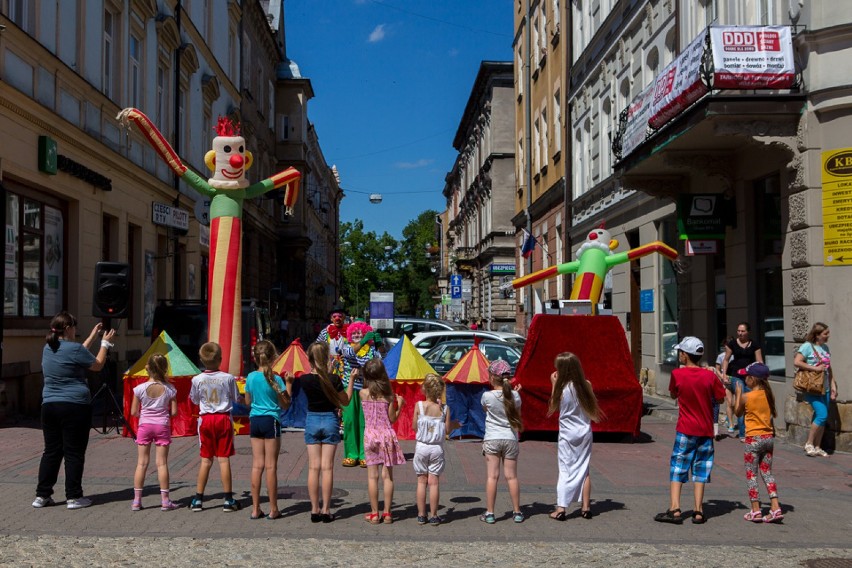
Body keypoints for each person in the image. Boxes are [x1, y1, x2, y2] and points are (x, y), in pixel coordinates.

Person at [33, 312, 116, 509]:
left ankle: (42, 495)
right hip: (74, 406)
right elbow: (96, 365)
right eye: (75, 327)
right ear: (69, 328)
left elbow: (77, 355)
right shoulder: (74, 349)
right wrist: (105, 344)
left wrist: (92, 336)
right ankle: (74, 496)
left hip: (49, 406)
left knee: (51, 451)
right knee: (74, 452)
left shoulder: (49, 348)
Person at [654, 337, 725, 525]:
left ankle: (675, 508)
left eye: (681, 353)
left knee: (678, 466)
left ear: (685, 355)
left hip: (686, 429)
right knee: (701, 469)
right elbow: (720, 398)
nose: (679, 355)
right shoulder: (710, 376)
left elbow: (673, 393)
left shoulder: (678, 374)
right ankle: (698, 510)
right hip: (705, 430)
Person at [300, 341, 355, 523]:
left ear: (309, 359)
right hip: (330, 420)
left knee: (313, 468)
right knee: (328, 468)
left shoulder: (304, 380)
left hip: (312, 420)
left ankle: (314, 509)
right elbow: (345, 401)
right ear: (326, 358)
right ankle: (326, 509)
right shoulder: (333, 379)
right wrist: (352, 380)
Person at [547, 352, 601, 521]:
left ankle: (561, 508)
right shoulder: (586, 385)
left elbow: (553, 406)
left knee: (565, 469)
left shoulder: (562, 389)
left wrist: (554, 384)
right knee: (584, 469)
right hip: (584, 432)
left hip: (567, 434)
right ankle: (586, 507)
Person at [188, 342, 240, 512]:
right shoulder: (228, 378)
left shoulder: (197, 379)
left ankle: (198, 499)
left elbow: (194, 400)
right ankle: (228, 499)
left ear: (201, 360)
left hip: (206, 419)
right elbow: (236, 397)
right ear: (220, 359)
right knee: (223, 459)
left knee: (205, 459)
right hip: (223, 418)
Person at [244, 341, 292, 520]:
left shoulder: (250, 377)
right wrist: (289, 384)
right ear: (273, 357)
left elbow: (248, 402)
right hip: (271, 420)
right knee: (271, 466)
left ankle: (255, 508)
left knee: (257, 465)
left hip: (255, 420)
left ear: (255, 358)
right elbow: (285, 404)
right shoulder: (276, 379)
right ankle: (273, 509)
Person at [734, 362, 784, 523]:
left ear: (753, 379)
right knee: (767, 472)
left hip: (753, 439)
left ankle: (755, 509)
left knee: (752, 474)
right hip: (768, 438)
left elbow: (737, 412)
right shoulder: (768, 395)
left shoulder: (747, 396)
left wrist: (738, 394)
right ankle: (775, 507)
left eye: (746, 377)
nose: (744, 379)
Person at [130, 353, 179, 511]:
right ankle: (165, 501)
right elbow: (173, 412)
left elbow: (133, 412)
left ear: (147, 368)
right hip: (162, 426)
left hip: (145, 426)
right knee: (162, 463)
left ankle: (137, 501)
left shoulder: (139, 389)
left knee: (142, 463)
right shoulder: (170, 389)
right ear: (165, 369)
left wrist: (144, 415)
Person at [360, 358, 405, 524]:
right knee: (388, 477)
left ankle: (374, 513)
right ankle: (387, 513)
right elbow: (392, 418)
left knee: (372, 477)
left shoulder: (362, 393)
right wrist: (399, 404)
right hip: (386, 435)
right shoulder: (389, 396)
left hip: (370, 435)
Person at [479, 359, 524, 524]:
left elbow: (485, 409)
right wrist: (514, 393)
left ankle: (490, 513)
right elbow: (516, 414)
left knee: (492, 476)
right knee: (511, 477)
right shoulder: (516, 396)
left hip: (492, 438)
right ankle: (517, 512)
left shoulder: (487, 396)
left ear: (492, 377)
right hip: (510, 438)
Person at [412, 373, 459, 526]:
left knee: (421, 481)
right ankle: (433, 515)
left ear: (425, 389)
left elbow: (414, 427)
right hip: (437, 448)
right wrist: (454, 425)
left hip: (421, 447)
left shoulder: (419, 406)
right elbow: (446, 431)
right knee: (434, 482)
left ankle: (421, 515)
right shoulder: (445, 409)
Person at [337, 321, 382, 468]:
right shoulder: (346, 346)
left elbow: (379, 361)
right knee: (349, 422)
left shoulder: (370, 350)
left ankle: (364, 454)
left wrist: (377, 344)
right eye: (354, 333)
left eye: (360, 333)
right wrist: (363, 342)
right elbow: (349, 354)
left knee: (365, 423)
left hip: (366, 390)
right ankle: (351, 454)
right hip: (348, 388)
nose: (357, 335)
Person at [793, 322, 837, 457]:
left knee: (822, 418)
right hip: (812, 387)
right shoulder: (807, 346)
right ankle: (809, 443)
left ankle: (818, 446)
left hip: (825, 387)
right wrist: (815, 368)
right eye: (825, 333)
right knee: (822, 414)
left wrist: (833, 384)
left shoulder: (825, 347)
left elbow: (828, 368)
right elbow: (797, 362)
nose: (828, 336)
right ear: (817, 335)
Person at [721, 323, 764, 441]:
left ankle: (752, 429)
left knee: (750, 402)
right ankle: (742, 433)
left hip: (750, 377)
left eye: (743, 331)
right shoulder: (732, 344)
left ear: (748, 332)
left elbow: (759, 361)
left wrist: (761, 375)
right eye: (738, 331)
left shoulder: (754, 345)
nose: (740, 333)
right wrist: (724, 375)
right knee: (741, 401)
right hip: (736, 376)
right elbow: (725, 360)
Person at [714, 337, 735, 437]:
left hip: (736, 380)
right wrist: (722, 376)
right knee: (729, 402)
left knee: (737, 403)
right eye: (727, 345)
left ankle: (729, 417)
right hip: (726, 381)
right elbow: (717, 369)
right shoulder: (721, 356)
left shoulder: (736, 356)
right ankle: (731, 424)